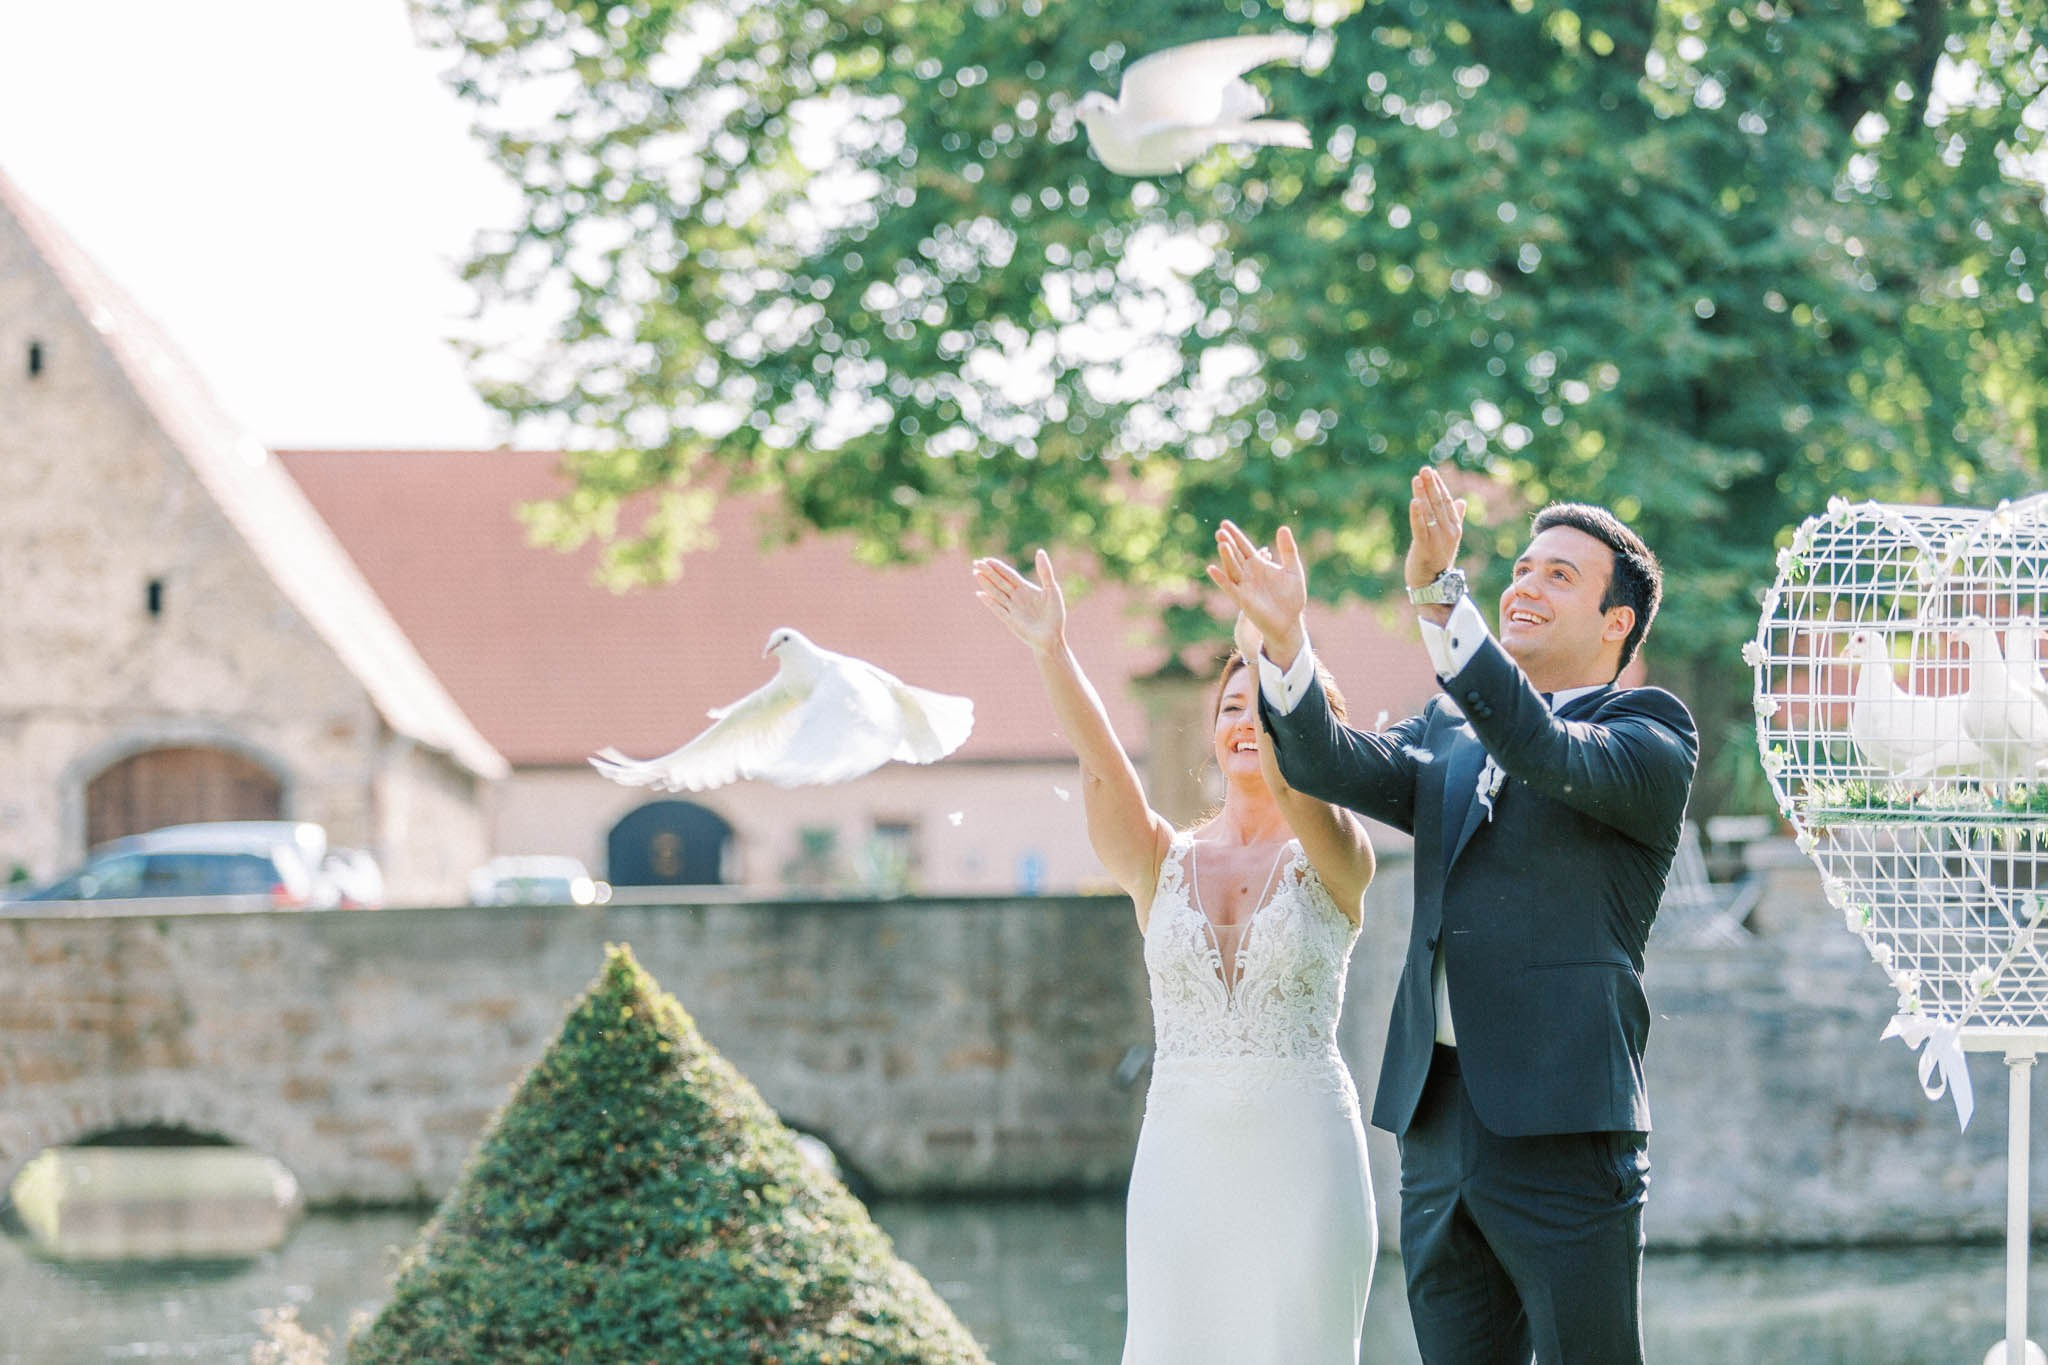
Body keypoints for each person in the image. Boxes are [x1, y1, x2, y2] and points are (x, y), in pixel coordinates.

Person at [1208, 466, 1698, 1365]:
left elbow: (1540, 745)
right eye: (1519, 566)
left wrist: (1439, 596)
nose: (1524, 583)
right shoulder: (1445, 730)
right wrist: (1283, 643)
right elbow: (1327, 763)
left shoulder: (1651, 735)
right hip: (1436, 1126)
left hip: (1565, 1124)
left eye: (1559, 574)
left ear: (1616, 621)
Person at [973, 548, 1379, 1365]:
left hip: (1304, 1158)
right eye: (1231, 705)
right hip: (1180, 1165)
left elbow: (1307, 792)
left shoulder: (1338, 855)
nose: (1244, 722)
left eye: (1266, 707)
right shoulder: (1162, 861)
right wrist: (1053, 649)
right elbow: (1102, 768)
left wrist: (1278, 639)